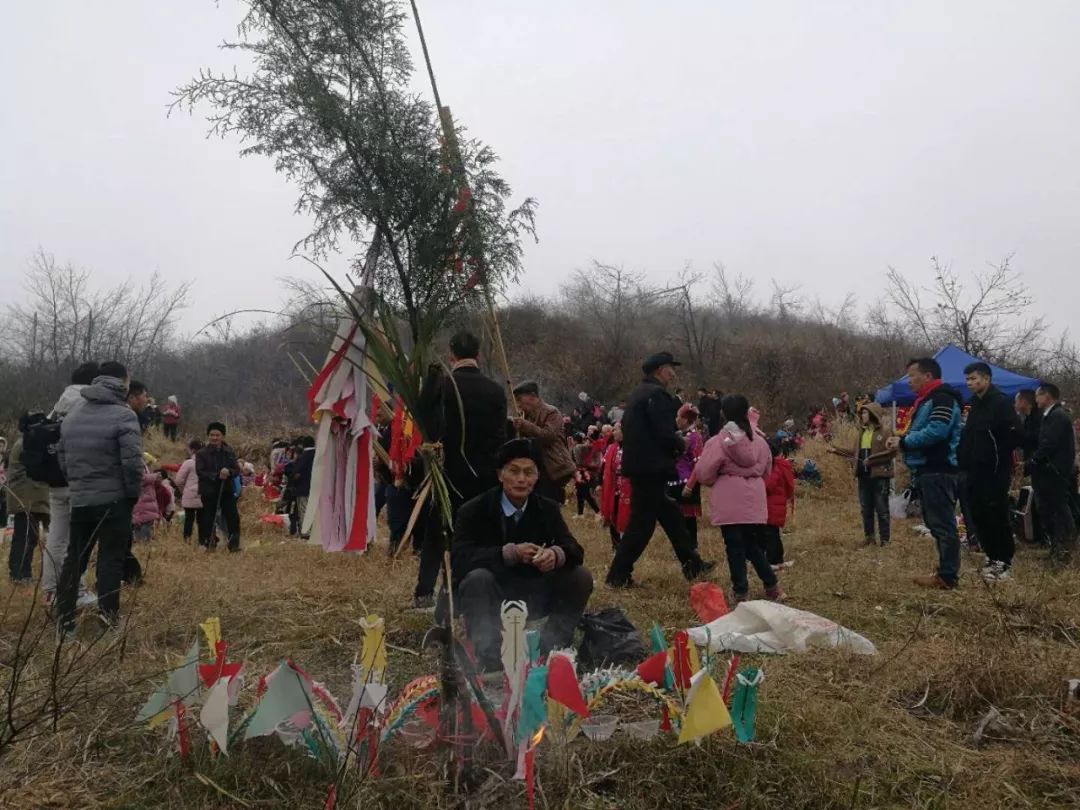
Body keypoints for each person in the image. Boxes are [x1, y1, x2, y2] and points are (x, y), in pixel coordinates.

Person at [452, 439, 593, 672]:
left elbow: (574, 549)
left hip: (534, 591)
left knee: (580, 576)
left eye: (529, 473)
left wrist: (555, 554)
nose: (521, 479)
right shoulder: (475, 510)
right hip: (493, 591)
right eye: (514, 471)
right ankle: (491, 659)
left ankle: (552, 649)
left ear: (537, 477)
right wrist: (508, 553)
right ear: (500, 475)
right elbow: (459, 558)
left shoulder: (546, 508)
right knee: (477, 578)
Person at [414, 331, 507, 609]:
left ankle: (424, 592)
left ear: (450, 355)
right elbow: (501, 438)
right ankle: (463, 591)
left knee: (436, 533)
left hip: (448, 474)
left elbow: (424, 421)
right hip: (485, 477)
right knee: (478, 535)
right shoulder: (495, 390)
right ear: (478, 355)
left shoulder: (442, 385)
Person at [606, 352, 714, 588]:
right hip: (650, 468)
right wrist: (680, 443)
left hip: (641, 467)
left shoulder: (638, 393)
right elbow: (663, 433)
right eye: (669, 368)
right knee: (640, 526)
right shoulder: (656, 395)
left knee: (672, 515)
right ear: (658, 370)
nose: (673, 373)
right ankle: (618, 576)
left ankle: (693, 565)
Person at [55, 361, 143, 636]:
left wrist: (79, 484)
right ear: (123, 382)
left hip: (81, 499)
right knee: (110, 560)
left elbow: (62, 458)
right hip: (113, 500)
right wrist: (131, 495)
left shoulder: (72, 415)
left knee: (75, 560)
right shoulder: (124, 415)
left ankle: (64, 621)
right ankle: (107, 621)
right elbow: (131, 463)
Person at [694, 394, 785, 602]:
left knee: (733, 546)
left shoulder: (718, 442)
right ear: (746, 412)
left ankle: (741, 591)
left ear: (723, 413)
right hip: (754, 497)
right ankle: (772, 586)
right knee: (752, 545)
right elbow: (767, 469)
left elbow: (705, 473)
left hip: (728, 500)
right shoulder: (760, 442)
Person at [885, 358, 964, 589]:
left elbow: (937, 431)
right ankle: (945, 572)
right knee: (936, 522)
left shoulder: (942, 398)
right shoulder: (927, 400)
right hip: (927, 469)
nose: (909, 381)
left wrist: (904, 441)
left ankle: (948, 577)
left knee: (943, 524)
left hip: (939, 469)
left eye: (911, 376)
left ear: (927, 376)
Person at [40, 361, 99, 607]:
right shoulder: (86, 402)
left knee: (56, 536)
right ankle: (76, 589)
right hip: (77, 477)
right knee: (79, 538)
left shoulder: (60, 403)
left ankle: (51, 590)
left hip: (55, 480)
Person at [957, 362, 1023, 579]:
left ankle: (1004, 560)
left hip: (995, 470)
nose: (970, 383)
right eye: (967, 379)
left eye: (974, 378)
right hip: (974, 470)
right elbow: (970, 435)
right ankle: (991, 555)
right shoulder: (975, 403)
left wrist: (995, 457)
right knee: (979, 513)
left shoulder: (1000, 402)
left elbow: (1013, 435)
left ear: (986, 379)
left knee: (997, 514)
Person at [830, 402, 896, 547]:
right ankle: (869, 537)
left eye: (865, 413)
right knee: (866, 508)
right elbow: (855, 453)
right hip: (863, 476)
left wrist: (872, 460)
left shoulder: (885, 432)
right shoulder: (861, 432)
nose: (862, 416)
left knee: (882, 509)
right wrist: (837, 450)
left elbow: (892, 452)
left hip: (879, 476)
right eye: (862, 413)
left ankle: (885, 540)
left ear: (873, 414)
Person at [1026, 383, 1076, 563]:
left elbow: (1049, 444)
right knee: (1048, 510)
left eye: (1038, 395)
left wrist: (1033, 461)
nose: (1036, 399)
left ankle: (1064, 551)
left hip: (1054, 473)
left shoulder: (1058, 416)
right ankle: (1056, 549)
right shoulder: (1050, 416)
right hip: (1047, 473)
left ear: (1047, 396)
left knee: (1058, 511)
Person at [512, 380, 576, 504]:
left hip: (554, 468)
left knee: (549, 506)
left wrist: (525, 426)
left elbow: (548, 436)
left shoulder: (551, 412)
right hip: (537, 469)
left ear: (532, 396)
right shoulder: (526, 416)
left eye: (520, 399)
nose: (518, 404)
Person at [6, 426, 50, 585]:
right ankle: (19, 574)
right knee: (24, 537)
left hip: (31, 498)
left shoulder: (24, 443)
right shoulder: (25, 445)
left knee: (29, 537)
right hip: (27, 499)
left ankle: (22, 573)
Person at [195, 422, 241, 552]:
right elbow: (200, 472)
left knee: (233, 517)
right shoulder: (201, 453)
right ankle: (209, 543)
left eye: (217, 435)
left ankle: (234, 544)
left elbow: (236, 469)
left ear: (223, 436)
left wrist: (229, 472)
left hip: (226, 490)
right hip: (209, 491)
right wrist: (216, 475)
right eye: (211, 435)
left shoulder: (229, 451)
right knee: (208, 518)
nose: (214, 438)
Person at [672, 403, 705, 550]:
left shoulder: (695, 437)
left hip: (687, 484)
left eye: (678, 417)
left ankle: (692, 546)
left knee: (688, 519)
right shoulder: (679, 436)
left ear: (685, 419)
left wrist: (690, 485)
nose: (676, 419)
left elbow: (698, 463)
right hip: (674, 482)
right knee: (676, 518)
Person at [1014, 389, 1044, 544]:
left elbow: (1037, 440)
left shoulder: (1039, 418)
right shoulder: (1027, 418)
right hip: (1033, 464)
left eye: (1016, 400)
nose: (1015, 404)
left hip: (1042, 465)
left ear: (1024, 401)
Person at [763, 436, 795, 568]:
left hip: (772, 508)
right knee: (774, 535)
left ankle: (772, 561)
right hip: (775, 507)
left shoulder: (774, 468)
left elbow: (768, 486)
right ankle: (778, 559)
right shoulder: (779, 465)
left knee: (771, 535)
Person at [599, 423, 631, 551]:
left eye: (616, 430)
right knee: (613, 513)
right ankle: (615, 545)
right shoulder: (611, 448)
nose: (614, 433)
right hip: (613, 487)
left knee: (626, 515)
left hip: (628, 487)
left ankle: (626, 545)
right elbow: (604, 467)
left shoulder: (633, 448)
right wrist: (599, 484)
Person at [174, 439, 204, 541]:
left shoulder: (189, 463)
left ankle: (187, 541)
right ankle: (203, 541)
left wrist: (184, 490)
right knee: (203, 520)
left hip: (190, 494)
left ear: (192, 449)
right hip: (204, 494)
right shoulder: (207, 462)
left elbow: (178, 480)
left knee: (189, 519)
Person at [289, 436, 316, 539]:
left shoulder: (304, 456)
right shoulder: (319, 455)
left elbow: (297, 473)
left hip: (304, 488)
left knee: (304, 509)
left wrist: (293, 481)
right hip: (317, 488)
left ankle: (306, 532)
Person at [131, 454, 162, 542]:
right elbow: (141, 479)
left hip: (143, 501)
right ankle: (144, 545)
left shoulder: (137, 463)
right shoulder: (138, 463)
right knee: (145, 524)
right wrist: (155, 476)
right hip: (143, 501)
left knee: (140, 524)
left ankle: (140, 545)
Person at [571, 433, 601, 518]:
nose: (586, 442)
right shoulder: (589, 448)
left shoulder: (579, 447)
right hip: (583, 473)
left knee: (585, 493)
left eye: (588, 440)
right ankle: (580, 513)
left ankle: (598, 511)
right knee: (580, 493)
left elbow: (579, 461)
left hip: (586, 473)